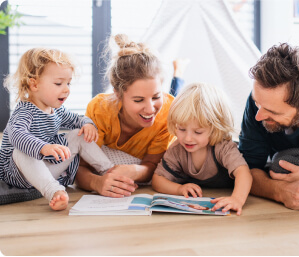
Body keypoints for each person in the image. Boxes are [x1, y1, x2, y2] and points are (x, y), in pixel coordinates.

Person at [0, 48, 117, 210]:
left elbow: (77, 119)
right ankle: (54, 191)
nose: (66, 89)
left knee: (78, 134)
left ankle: (109, 170)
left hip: (45, 168)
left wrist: (87, 123)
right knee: (20, 150)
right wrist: (44, 147)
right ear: (34, 84)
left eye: (68, 83)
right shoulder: (25, 111)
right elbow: (17, 135)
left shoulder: (57, 110)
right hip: (18, 173)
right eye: (58, 83)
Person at [75, 34, 185, 198]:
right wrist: (96, 183)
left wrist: (135, 170)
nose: (150, 109)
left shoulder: (167, 113)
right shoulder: (100, 109)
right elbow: (80, 167)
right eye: (139, 100)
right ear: (118, 94)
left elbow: (153, 166)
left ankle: (180, 71)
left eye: (156, 97)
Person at [238, 43, 299, 211]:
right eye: (257, 104)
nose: (258, 116)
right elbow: (245, 169)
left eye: (272, 112)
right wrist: (279, 191)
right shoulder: (261, 102)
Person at [152, 83, 252, 215]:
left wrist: (236, 199)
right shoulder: (177, 149)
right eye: (181, 129)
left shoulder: (223, 146)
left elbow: (244, 173)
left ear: (215, 129)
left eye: (197, 132)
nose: (188, 138)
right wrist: (179, 189)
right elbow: (157, 179)